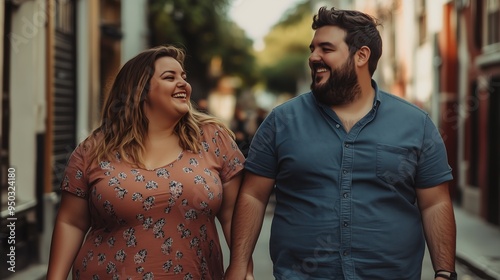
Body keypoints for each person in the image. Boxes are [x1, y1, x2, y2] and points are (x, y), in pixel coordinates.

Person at [226, 6, 457, 280]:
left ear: (361, 56)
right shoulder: (281, 121)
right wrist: (239, 265)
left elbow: (434, 204)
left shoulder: (416, 125)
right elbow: (253, 195)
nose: (313, 57)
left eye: (326, 48)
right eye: (312, 48)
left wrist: (444, 272)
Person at [46, 45, 253, 279]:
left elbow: (234, 217)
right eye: (169, 77)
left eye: (184, 77)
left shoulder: (212, 139)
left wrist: (243, 270)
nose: (183, 83)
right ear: (140, 90)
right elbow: (71, 222)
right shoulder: (95, 148)